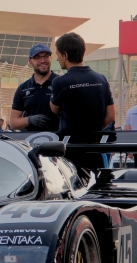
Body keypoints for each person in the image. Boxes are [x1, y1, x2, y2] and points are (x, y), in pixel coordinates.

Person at [49, 33, 115, 173]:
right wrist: (92, 129)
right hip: (95, 149)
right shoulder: (101, 79)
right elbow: (110, 116)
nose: (57, 58)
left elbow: (54, 109)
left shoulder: (60, 82)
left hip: (71, 152)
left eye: (58, 54)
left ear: (65, 55)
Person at [9, 43, 60, 132]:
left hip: (56, 141)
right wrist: (29, 120)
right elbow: (13, 123)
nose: (43, 60)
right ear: (30, 61)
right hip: (30, 142)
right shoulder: (23, 88)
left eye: (46, 56)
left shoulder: (61, 83)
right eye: (37, 57)